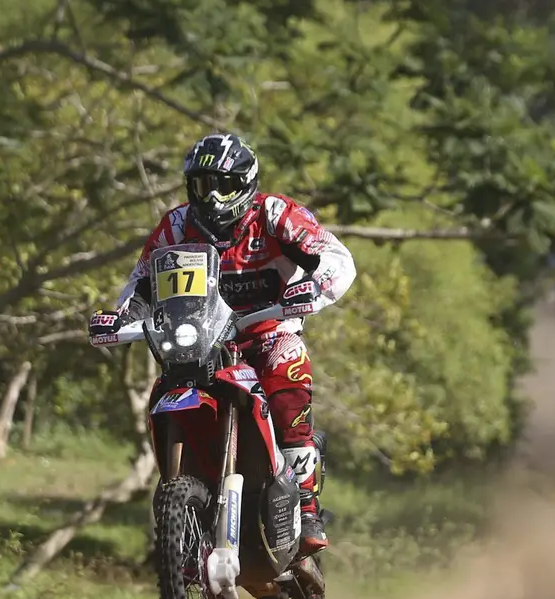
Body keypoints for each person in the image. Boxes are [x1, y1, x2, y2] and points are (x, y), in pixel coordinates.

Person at [89, 133, 355, 554]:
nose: (212, 197)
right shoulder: (176, 225)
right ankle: (183, 509)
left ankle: (306, 505)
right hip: (198, 339)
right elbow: (141, 284)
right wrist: (122, 317)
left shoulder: (275, 214)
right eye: (201, 185)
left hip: (267, 331)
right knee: (164, 390)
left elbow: (334, 256)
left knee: (288, 373)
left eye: (224, 185)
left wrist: (312, 284)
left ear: (246, 185)